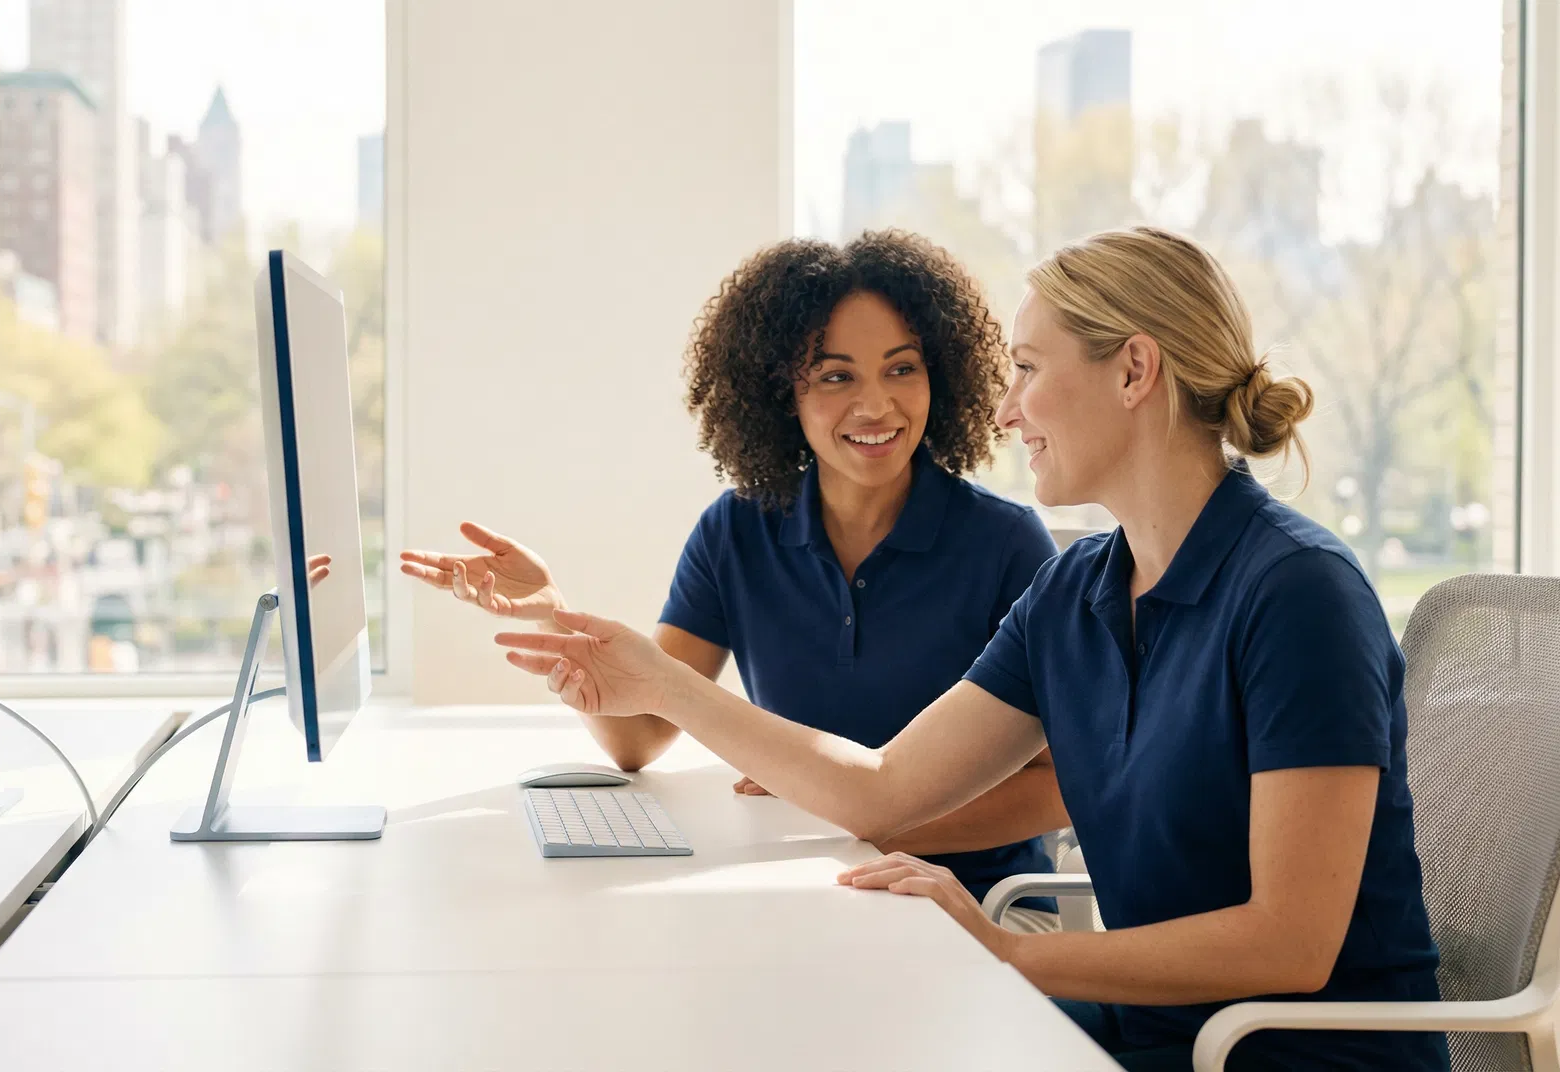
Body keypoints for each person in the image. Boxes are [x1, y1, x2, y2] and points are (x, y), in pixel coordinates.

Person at [491, 227, 1450, 1071]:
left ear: (1133, 372)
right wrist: (663, 684)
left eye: (1030, 370)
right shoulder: (1076, 592)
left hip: (1278, 1052)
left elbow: (1288, 947)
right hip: (1156, 1029)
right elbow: (881, 788)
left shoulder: (1298, 593)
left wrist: (1010, 953)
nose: (1003, 409)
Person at [402, 231, 1068, 932]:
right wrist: (554, 617)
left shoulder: (1005, 544)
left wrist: (850, 817)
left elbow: (1058, 789)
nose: (877, 406)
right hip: (813, 888)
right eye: (837, 376)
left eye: (902, 369)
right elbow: (639, 736)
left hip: (980, 909)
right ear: (782, 393)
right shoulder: (738, 532)